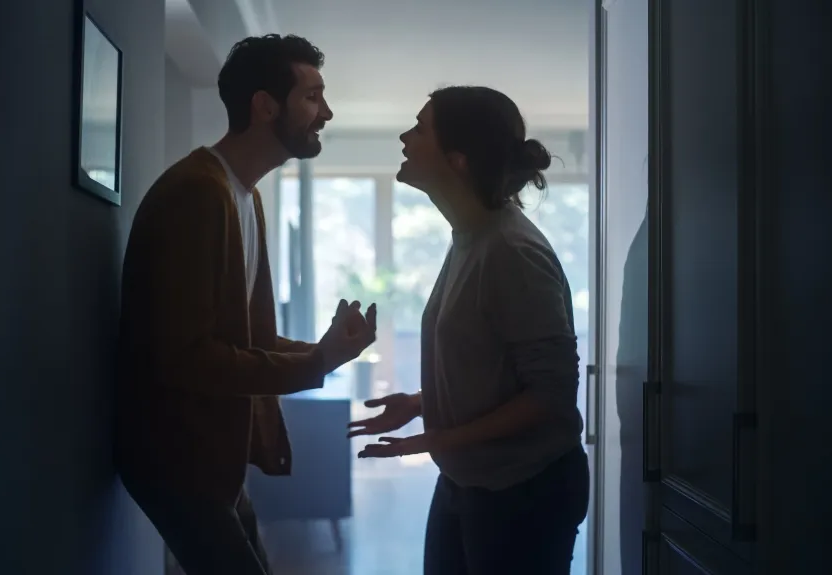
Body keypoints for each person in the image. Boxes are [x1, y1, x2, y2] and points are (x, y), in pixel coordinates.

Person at [115, 34, 376, 575]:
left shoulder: (244, 195)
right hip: (179, 461)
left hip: (210, 460)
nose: (326, 113)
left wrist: (326, 350)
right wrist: (318, 361)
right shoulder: (198, 193)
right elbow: (188, 358)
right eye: (313, 97)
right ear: (265, 106)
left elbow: (244, 341)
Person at [348, 86, 587, 575]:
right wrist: (421, 405)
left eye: (419, 128)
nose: (404, 136)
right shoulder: (470, 238)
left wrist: (434, 438)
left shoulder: (511, 252)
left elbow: (551, 395)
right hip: (471, 479)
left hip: (524, 491)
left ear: (457, 160)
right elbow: (493, 365)